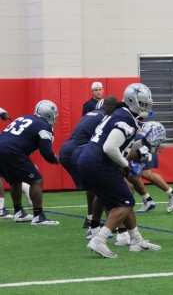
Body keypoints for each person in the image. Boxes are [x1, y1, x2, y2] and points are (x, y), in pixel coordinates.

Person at [76, 83, 161, 259]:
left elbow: (122, 144)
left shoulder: (121, 114)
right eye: (143, 104)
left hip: (89, 160)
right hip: (98, 161)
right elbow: (110, 148)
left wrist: (145, 144)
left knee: (126, 193)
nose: (146, 107)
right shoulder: (126, 118)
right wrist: (126, 165)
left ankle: (136, 240)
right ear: (134, 101)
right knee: (125, 203)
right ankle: (99, 239)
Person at [60, 96, 118, 229]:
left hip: (67, 151)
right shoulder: (105, 117)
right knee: (103, 184)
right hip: (79, 151)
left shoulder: (91, 114)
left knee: (93, 186)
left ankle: (91, 219)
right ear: (111, 107)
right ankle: (112, 223)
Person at [0, 100, 60, 225]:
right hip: (12, 151)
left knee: (15, 180)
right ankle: (38, 216)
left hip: (2, 147)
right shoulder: (44, 126)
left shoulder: (24, 117)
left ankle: (18, 212)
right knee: (36, 180)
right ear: (49, 114)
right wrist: (57, 159)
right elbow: (46, 153)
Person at [128, 121, 173, 213]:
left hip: (145, 145)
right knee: (131, 174)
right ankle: (147, 200)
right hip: (139, 145)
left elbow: (138, 134)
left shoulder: (127, 120)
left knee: (146, 173)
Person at [81, 81, 104, 227]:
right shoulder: (88, 105)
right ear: (92, 92)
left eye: (100, 89)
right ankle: (92, 218)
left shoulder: (105, 105)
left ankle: (91, 218)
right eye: (95, 90)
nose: (98, 92)